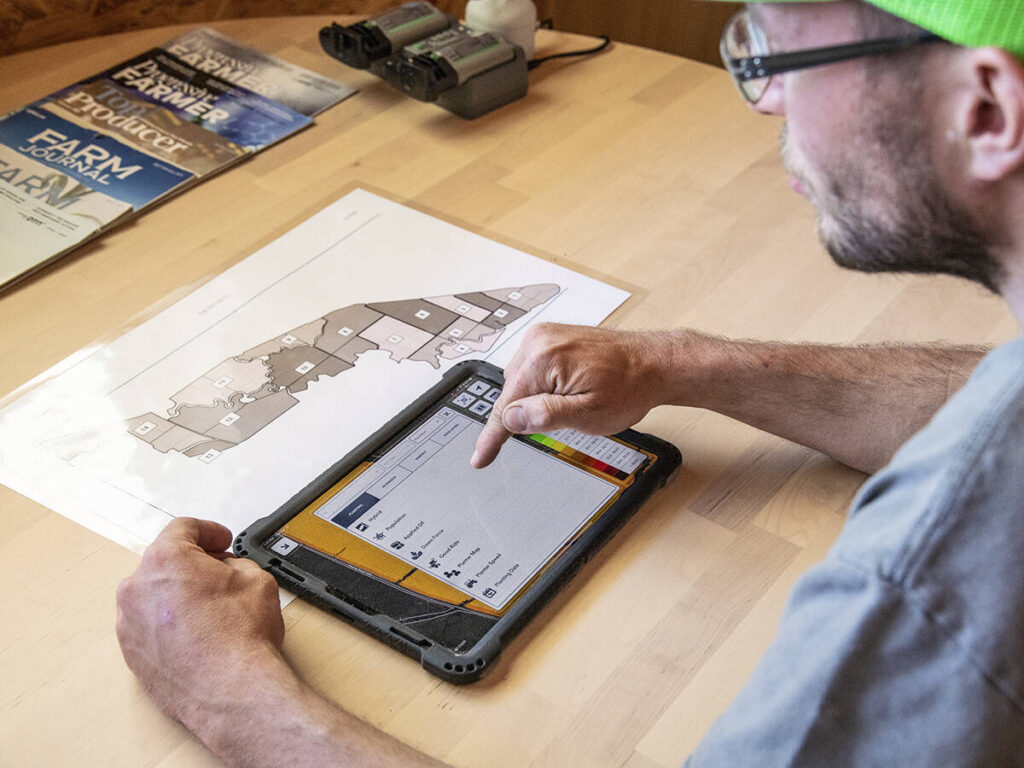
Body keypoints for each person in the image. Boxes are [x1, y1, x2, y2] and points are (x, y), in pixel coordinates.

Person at [115, 1, 1024, 765]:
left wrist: (232, 700)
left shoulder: (930, 570)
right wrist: (682, 362)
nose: (765, 98)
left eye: (784, 49)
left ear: (987, 109)